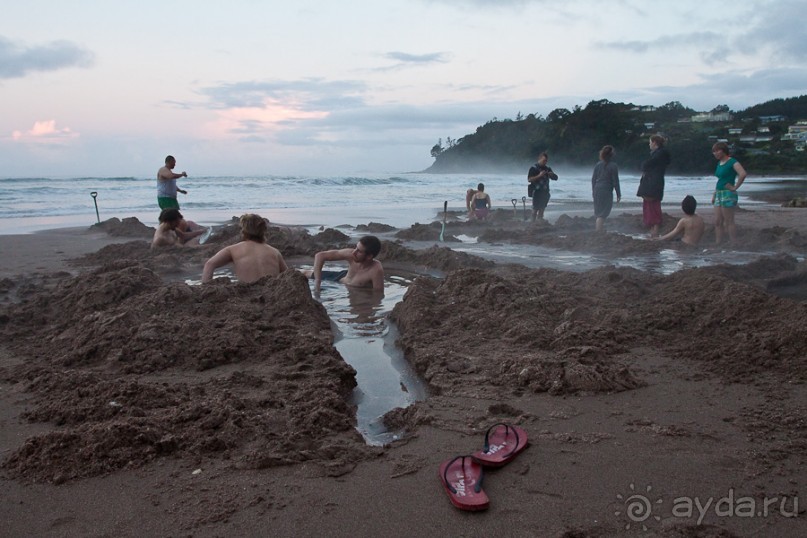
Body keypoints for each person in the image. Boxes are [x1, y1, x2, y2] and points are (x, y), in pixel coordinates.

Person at [202, 214, 288, 283]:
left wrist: (205, 288)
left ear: (243, 231)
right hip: (271, 292)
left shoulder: (233, 249)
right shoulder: (274, 252)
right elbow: (289, 275)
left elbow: (209, 264)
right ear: (263, 231)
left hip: (248, 293)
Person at [307, 235, 384, 291]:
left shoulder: (376, 270)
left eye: (359, 251)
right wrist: (317, 282)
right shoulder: (351, 254)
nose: (354, 252)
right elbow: (320, 256)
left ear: (369, 256)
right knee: (304, 274)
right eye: (356, 248)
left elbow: (378, 295)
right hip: (340, 278)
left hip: (348, 287)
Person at [711, 142, 748, 244]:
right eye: (714, 151)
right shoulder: (719, 163)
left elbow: (743, 174)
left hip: (728, 193)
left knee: (729, 221)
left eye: (718, 150)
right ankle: (718, 243)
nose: (715, 153)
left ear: (723, 150)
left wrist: (735, 187)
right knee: (718, 221)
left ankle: (733, 242)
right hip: (719, 193)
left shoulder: (732, 162)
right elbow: (720, 180)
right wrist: (714, 194)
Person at [636, 134, 671, 237]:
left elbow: (647, 165)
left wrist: (643, 166)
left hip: (653, 183)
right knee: (652, 205)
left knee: (652, 206)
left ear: (655, 143)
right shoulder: (660, 154)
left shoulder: (659, 154)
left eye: (650, 142)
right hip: (655, 182)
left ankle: (654, 231)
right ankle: (653, 230)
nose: (649, 144)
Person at [591, 145, 621, 232]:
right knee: (603, 213)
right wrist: (618, 194)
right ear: (612, 155)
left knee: (598, 212)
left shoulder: (598, 165)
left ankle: (599, 229)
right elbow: (616, 181)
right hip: (606, 190)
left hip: (597, 189)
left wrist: (593, 190)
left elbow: (593, 179)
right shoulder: (613, 166)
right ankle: (598, 231)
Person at [527, 152, 558, 221]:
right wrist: (539, 176)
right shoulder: (533, 168)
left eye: (546, 161)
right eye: (544, 160)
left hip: (545, 192)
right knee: (535, 210)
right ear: (539, 159)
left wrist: (551, 175)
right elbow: (529, 179)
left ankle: (539, 223)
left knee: (542, 209)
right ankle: (532, 223)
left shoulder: (547, 169)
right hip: (536, 191)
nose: (545, 162)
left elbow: (556, 178)